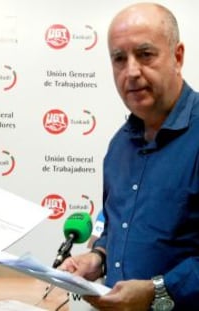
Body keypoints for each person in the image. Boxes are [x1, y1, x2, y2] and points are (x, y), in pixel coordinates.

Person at [60, 3, 199, 311]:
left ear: (178, 57)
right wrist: (97, 258)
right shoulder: (119, 146)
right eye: (119, 59)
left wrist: (157, 291)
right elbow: (116, 229)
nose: (131, 71)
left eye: (145, 55)